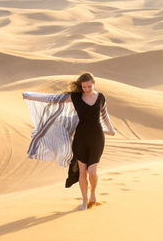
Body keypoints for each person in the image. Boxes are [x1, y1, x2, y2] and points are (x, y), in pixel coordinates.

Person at [22, 72, 116, 210]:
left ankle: (93, 194)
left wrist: (111, 129)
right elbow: (53, 99)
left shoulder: (100, 97)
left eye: (89, 86)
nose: (87, 89)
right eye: (84, 87)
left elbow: (104, 114)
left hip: (97, 139)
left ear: (94, 84)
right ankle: (84, 201)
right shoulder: (75, 97)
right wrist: (30, 96)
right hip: (80, 139)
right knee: (82, 171)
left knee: (92, 171)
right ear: (81, 86)